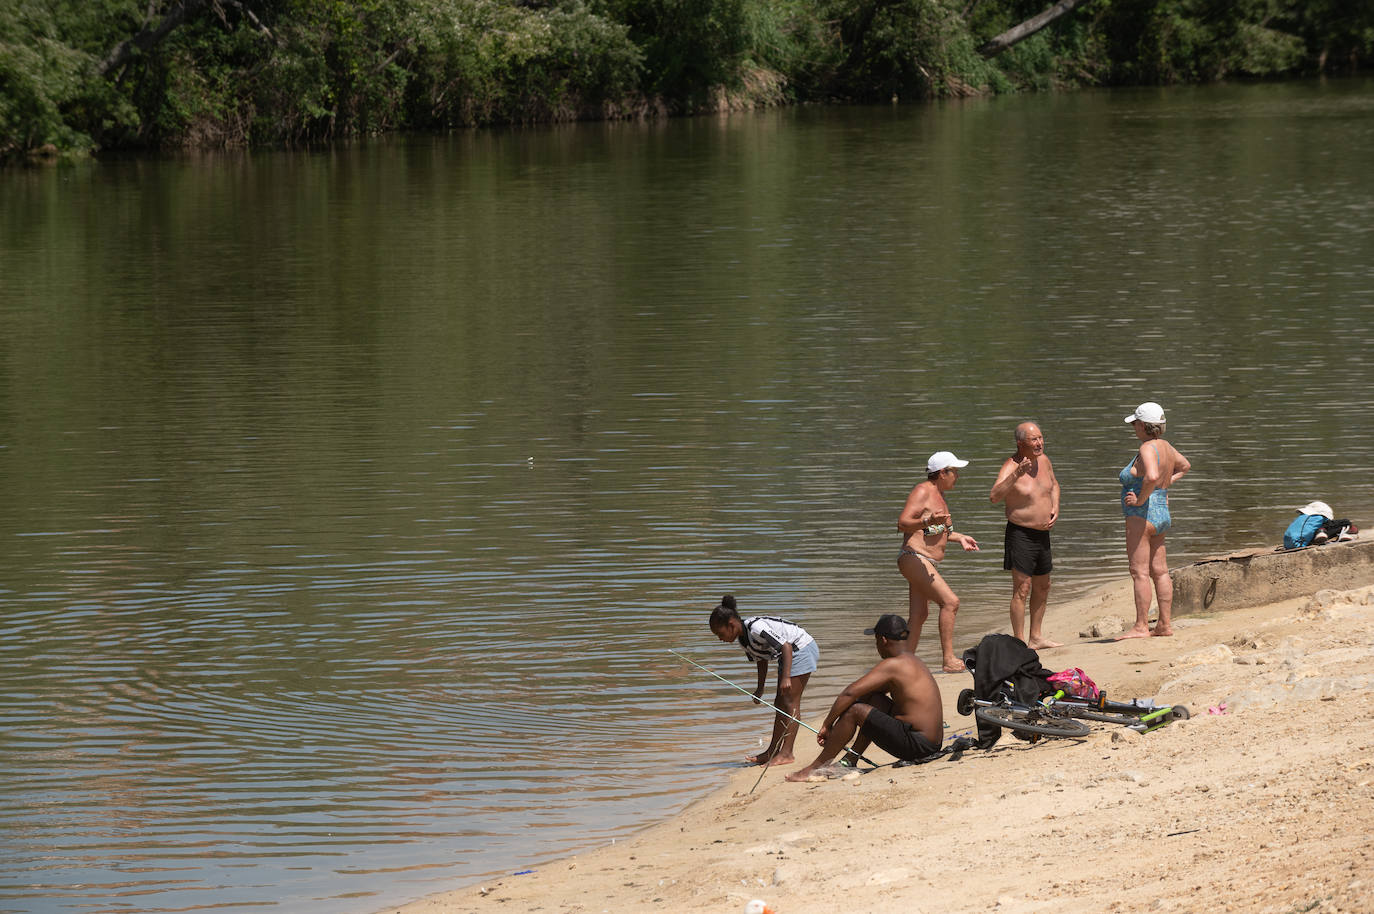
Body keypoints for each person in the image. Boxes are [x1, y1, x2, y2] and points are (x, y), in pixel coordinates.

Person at [785, 614, 943, 781]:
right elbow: (865, 693)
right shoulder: (912, 661)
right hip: (930, 743)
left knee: (856, 711)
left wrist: (827, 724)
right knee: (874, 699)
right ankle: (850, 760)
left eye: (875, 641)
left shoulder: (893, 665)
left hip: (918, 746)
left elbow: (850, 692)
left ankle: (814, 768)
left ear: (882, 640)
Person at [708, 594, 819, 766]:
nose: (720, 639)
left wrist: (786, 677)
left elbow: (786, 646)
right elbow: (761, 660)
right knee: (779, 703)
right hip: (787, 656)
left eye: (720, 633)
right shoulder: (744, 641)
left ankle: (787, 753)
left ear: (730, 625)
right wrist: (760, 689)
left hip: (800, 648)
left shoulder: (755, 628)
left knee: (790, 702)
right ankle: (772, 751)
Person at [897, 451, 980, 672]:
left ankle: (905, 663)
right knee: (950, 602)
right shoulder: (923, 490)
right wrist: (927, 519)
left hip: (925, 561)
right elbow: (903, 523)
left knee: (919, 615)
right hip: (913, 557)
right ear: (942, 473)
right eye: (954, 472)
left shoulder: (940, 496)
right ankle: (948, 660)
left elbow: (940, 532)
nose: (957, 476)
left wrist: (960, 537)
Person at [1117, 402, 1191, 640]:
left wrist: (1139, 499)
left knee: (1139, 571)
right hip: (1161, 514)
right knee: (1159, 571)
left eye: (1135, 424)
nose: (1133, 428)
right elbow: (1185, 466)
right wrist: (1164, 486)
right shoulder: (1166, 446)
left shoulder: (1148, 448)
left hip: (1142, 516)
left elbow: (1151, 475)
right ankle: (1164, 625)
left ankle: (1140, 626)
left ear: (1143, 425)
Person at [988, 421, 1062, 650]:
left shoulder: (1045, 460)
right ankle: (1019, 642)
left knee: (1043, 585)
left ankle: (1036, 636)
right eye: (1034, 439)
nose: (1039, 443)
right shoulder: (1011, 466)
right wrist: (1016, 474)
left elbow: (1054, 485)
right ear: (1021, 444)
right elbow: (994, 496)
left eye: (1040, 438)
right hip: (1020, 533)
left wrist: (1055, 506)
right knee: (1022, 588)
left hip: (1043, 535)